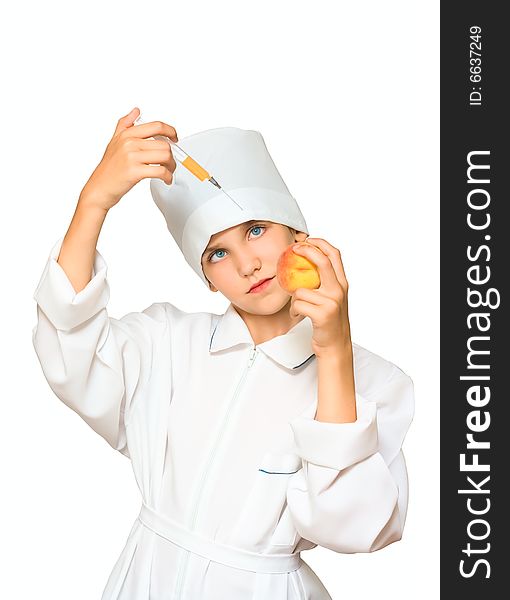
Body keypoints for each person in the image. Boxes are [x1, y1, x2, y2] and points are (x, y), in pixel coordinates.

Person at [32, 107, 415, 600]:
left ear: (297, 233)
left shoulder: (376, 381)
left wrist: (334, 352)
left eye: (256, 230)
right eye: (218, 253)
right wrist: (94, 204)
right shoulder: (166, 344)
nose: (247, 263)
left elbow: (355, 526)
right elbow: (68, 344)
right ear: (206, 277)